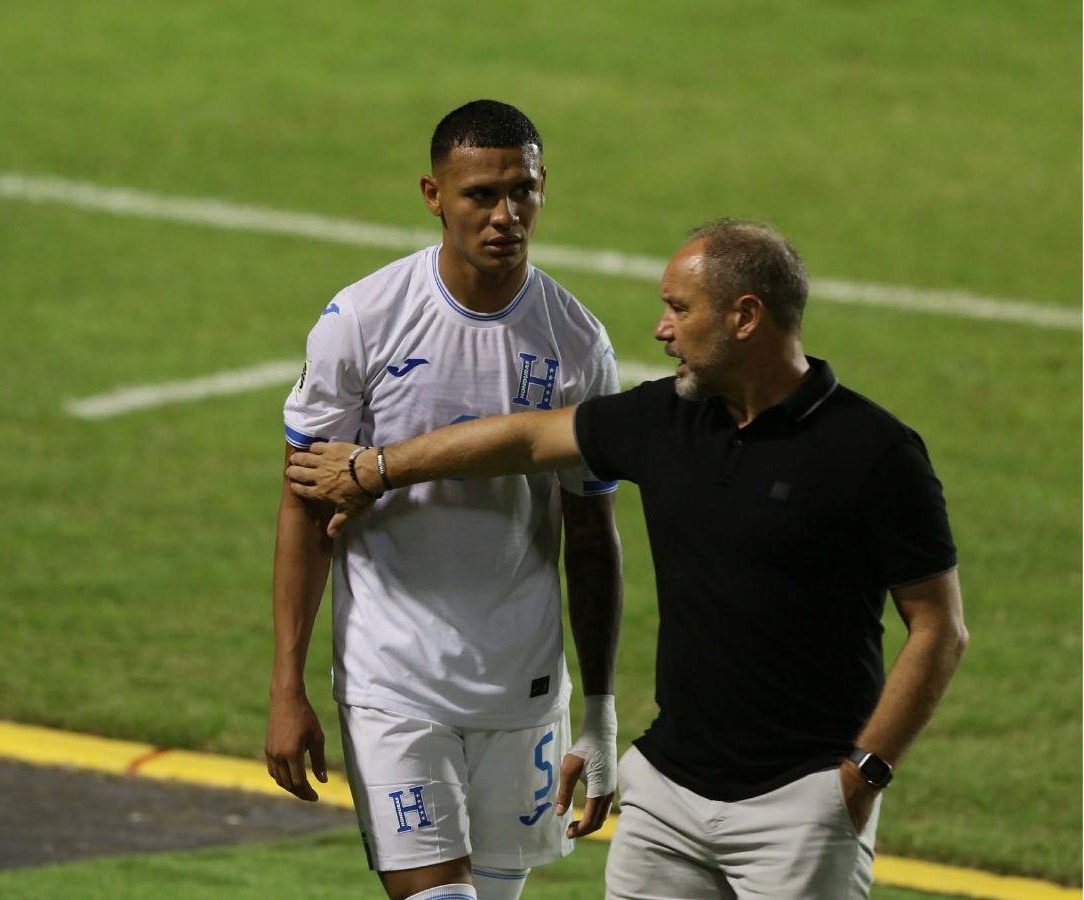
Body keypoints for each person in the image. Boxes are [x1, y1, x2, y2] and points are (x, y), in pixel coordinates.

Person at [286, 220, 969, 899]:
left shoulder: (873, 453)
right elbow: (525, 440)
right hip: (667, 798)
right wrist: (378, 467)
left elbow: (939, 627)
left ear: (745, 317)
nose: (661, 330)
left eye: (679, 308)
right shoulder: (666, 420)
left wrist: (862, 776)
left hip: (799, 806)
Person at [265, 99, 624, 900]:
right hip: (392, 679)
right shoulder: (361, 321)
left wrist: (598, 714)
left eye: (522, 191)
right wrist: (286, 685)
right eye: (480, 195)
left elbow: (592, 535)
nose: (506, 215)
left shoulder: (577, 342)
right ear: (433, 194)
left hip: (522, 685)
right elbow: (302, 507)